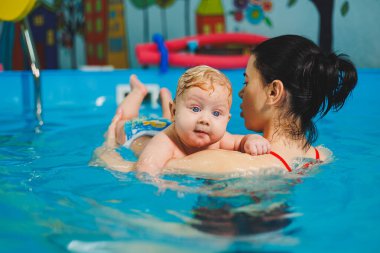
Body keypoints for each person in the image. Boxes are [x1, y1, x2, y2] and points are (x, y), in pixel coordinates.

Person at [96, 34, 357, 176]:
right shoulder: (321, 155)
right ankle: (170, 112)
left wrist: (106, 145)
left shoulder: (224, 161)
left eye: (247, 81)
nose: (242, 93)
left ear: (274, 91)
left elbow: (138, 172)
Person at [101, 65, 271, 176]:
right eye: (195, 109)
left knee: (172, 123)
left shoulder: (219, 139)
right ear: (175, 110)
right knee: (122, 121)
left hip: (174, 124)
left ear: (227, 120)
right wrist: (161, 181)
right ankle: (138, 91)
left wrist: (252, 140)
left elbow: (240, 141)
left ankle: (166, 101)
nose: (205, 120)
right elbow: (145, 170)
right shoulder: (164, 143)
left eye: (216, 113)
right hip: (138, 133)